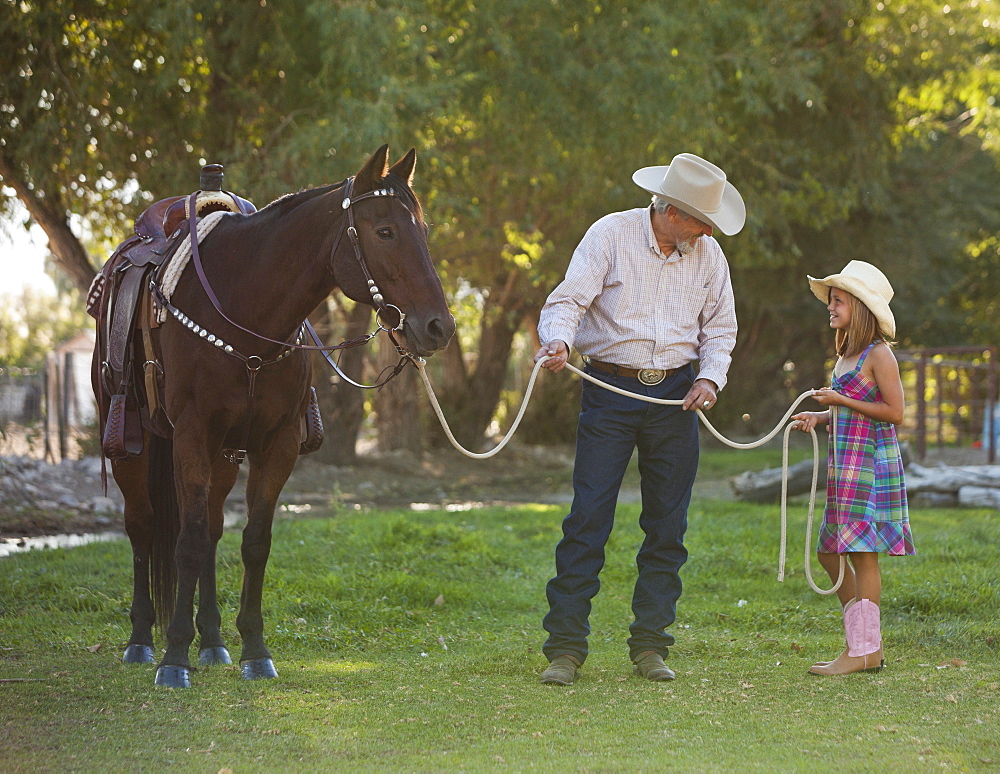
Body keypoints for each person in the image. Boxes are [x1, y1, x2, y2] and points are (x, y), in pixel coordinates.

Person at [532, 153, 745, 685]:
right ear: (672, 211)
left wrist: (709, 379)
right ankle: (566, 649)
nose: (707, 231)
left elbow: (720, 327)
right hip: (610, 392)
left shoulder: (708, 256)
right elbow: (569, 300)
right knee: (589, 518)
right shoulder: (610, 234)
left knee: (668, 525)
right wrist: (556, 340)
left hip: (677, 397)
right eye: (701, 220)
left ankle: (651, 646)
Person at [791, 260, 915, 676]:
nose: (831, 306)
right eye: (831, 300)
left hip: (870, 466)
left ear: (858, 306)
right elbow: (853, 412)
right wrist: (821, 418)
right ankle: (865, 642)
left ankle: (864, 648)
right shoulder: (846, 355)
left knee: (861, 556)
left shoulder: (880, 355)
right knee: (830, 552)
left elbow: (894, 412)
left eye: (838, 300)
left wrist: (840, 402)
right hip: (845, 468)